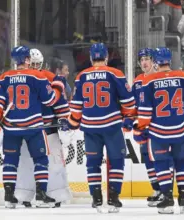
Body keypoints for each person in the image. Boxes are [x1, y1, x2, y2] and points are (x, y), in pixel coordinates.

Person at [0, 46, 66, 208]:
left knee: (10, 160)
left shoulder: (5, 77)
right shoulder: (37, 76)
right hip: (33, 127)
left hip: (11, 128)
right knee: (41, 160)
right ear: (27, 60)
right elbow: (50, 101)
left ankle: (9, 197)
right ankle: (41, 195)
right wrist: (58, 87)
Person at [62, 43, 136, 213]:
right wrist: (128, 118)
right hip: (111, 125)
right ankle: (113, 197)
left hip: (90, 128)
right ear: (106, 58)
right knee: (117, 160)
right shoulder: (115, 73)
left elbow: (76, 106)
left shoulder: (81, 76)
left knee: (93, 163)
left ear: (90, 58)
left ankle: (96, 197)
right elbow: (128, 101)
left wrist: (72, 123)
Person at [135, 47, 184, 214]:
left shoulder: (149, 81)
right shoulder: (183, 77)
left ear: (155, 61)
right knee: (182, 162)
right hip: (181, 130)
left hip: (159, 132)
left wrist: (139, 129)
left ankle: (167, 199)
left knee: (161, 163)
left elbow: (145, 113)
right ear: (170, 60)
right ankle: (183, 197)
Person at [14, 48, 72, 208]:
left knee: (53, 163)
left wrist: (64, 120)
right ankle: (23, 194)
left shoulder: (18, 78)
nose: (34, 66)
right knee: (26, 163)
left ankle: (55, 194)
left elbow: (60, 101)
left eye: (37, 64)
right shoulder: (44, 77)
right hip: (29, 129)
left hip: (43, 129)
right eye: (32, 63)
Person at [123, 48, 165, 207]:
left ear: (154, 61)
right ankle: (156, 189)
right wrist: (129, 118)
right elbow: (134, 105)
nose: (144, 63)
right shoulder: (138, 80)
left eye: (147, 59)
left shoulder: (160, 78)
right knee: (147, 157)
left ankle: (164, 189)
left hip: (158, 127)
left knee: (159, 158)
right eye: (141, 60)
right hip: (143, 127)